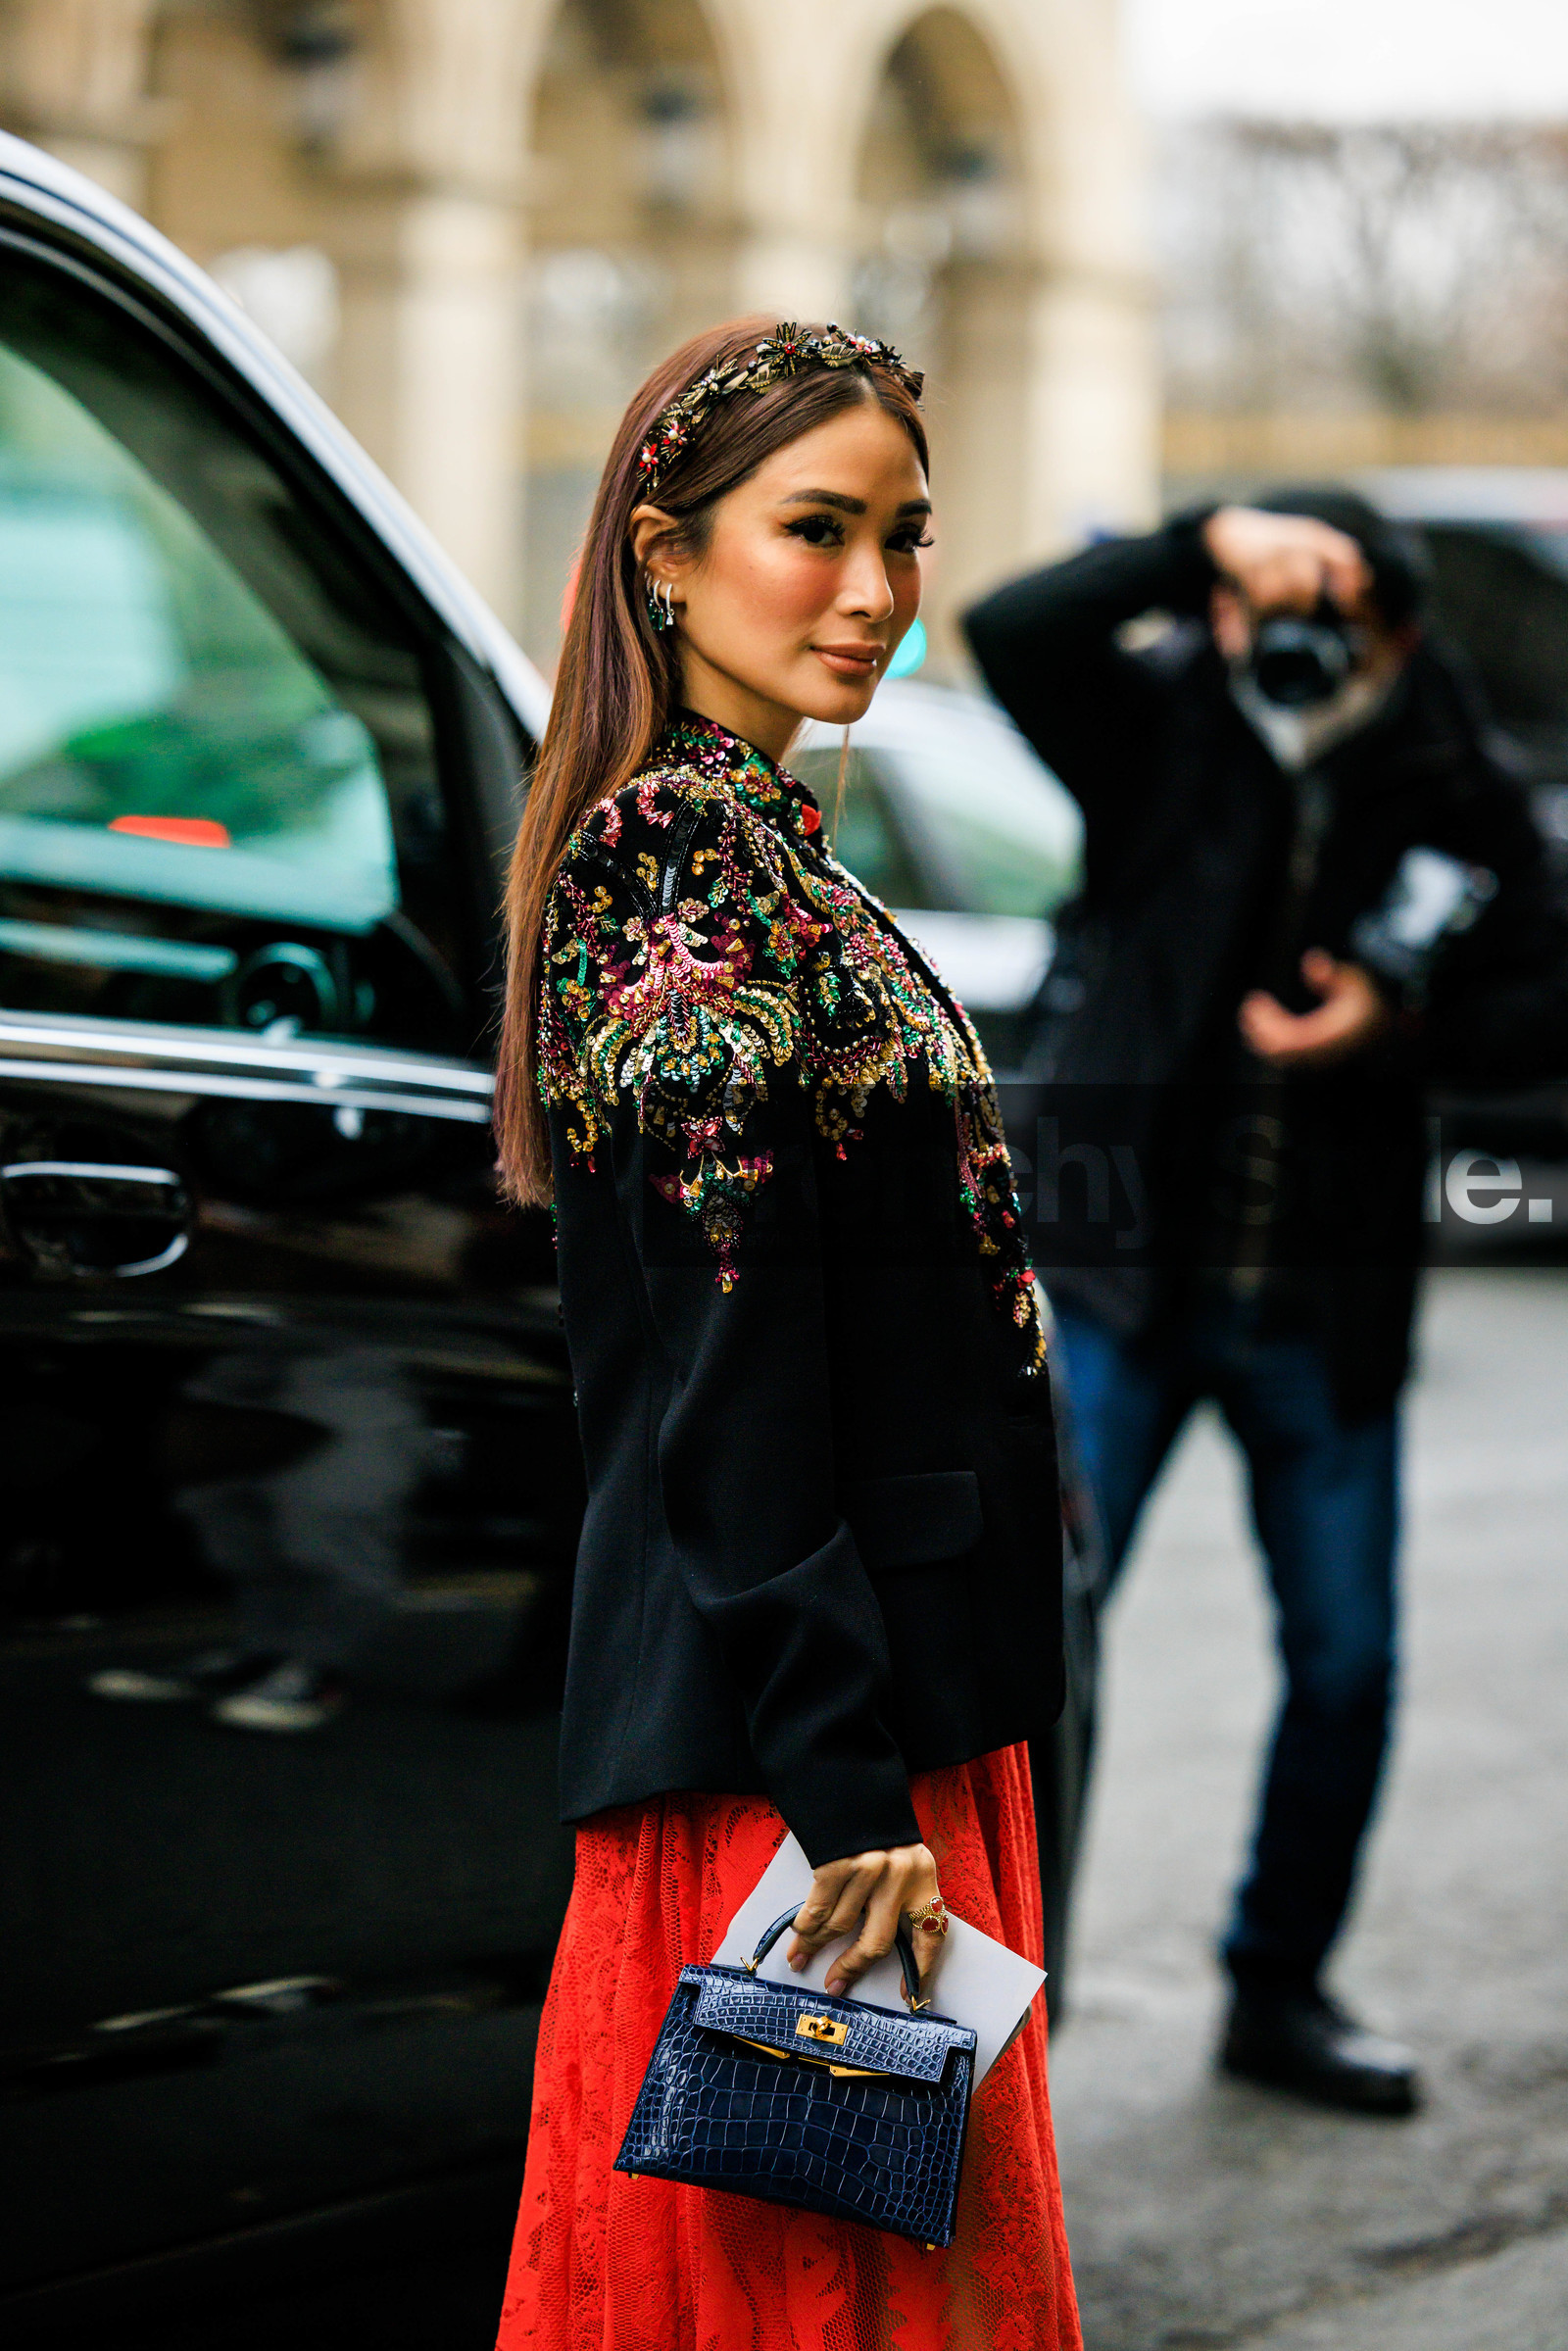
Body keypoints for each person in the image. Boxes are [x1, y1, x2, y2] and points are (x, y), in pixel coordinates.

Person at [491, 318, 1078, 2350]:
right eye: (811, 529)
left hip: (869, 1721)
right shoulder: (676, 860)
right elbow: (722, 1380)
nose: (871, 590)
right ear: (663, 551)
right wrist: (847, 1805)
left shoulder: (760, 854)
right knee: (812, 2317)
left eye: (903, 537)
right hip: (798, 1765)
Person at [965, 491, 1568, 2119]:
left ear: (1396, 629)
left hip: (1325, 1306)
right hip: (1118, 1289)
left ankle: (1278, 1991)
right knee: (1024, 1654)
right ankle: (988, 2012)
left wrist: (1403, 1003)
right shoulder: (1154, 721)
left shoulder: (1452, 770)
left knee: (1349, 1663)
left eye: (1322, 604)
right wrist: (1199, 542)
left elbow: (1545, 993)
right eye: (1256, 597)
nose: (1277, 632)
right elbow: (1012, 629)